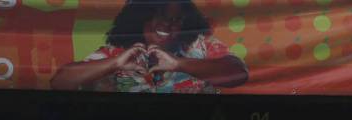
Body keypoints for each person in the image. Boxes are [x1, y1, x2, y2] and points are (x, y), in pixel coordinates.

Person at [50, 0, 248, 93]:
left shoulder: (201, 46)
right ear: (139, 18)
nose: (167, 25)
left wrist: (179, 64)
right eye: (159, 16)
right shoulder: (116, 53)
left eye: (176, 19)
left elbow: (239, 74)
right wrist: (115, 64)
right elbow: (60, 82)